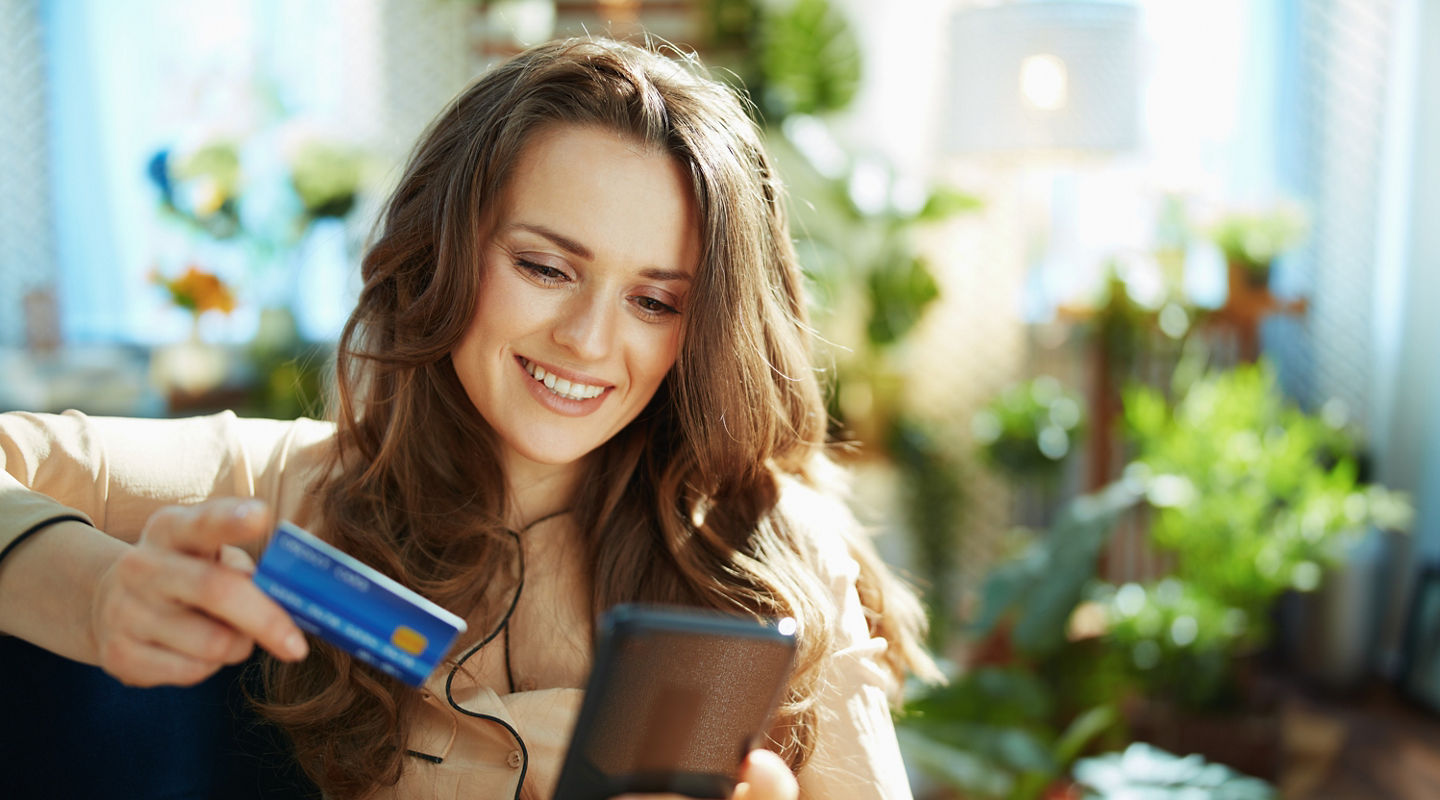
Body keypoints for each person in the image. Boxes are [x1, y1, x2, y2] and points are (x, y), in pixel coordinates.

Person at [0, 37, 937, 800]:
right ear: (445, 251)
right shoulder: (290, 489)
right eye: (545, 267)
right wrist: (94, 596)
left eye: (656, 301)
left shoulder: (770, 557)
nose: (588, 341)